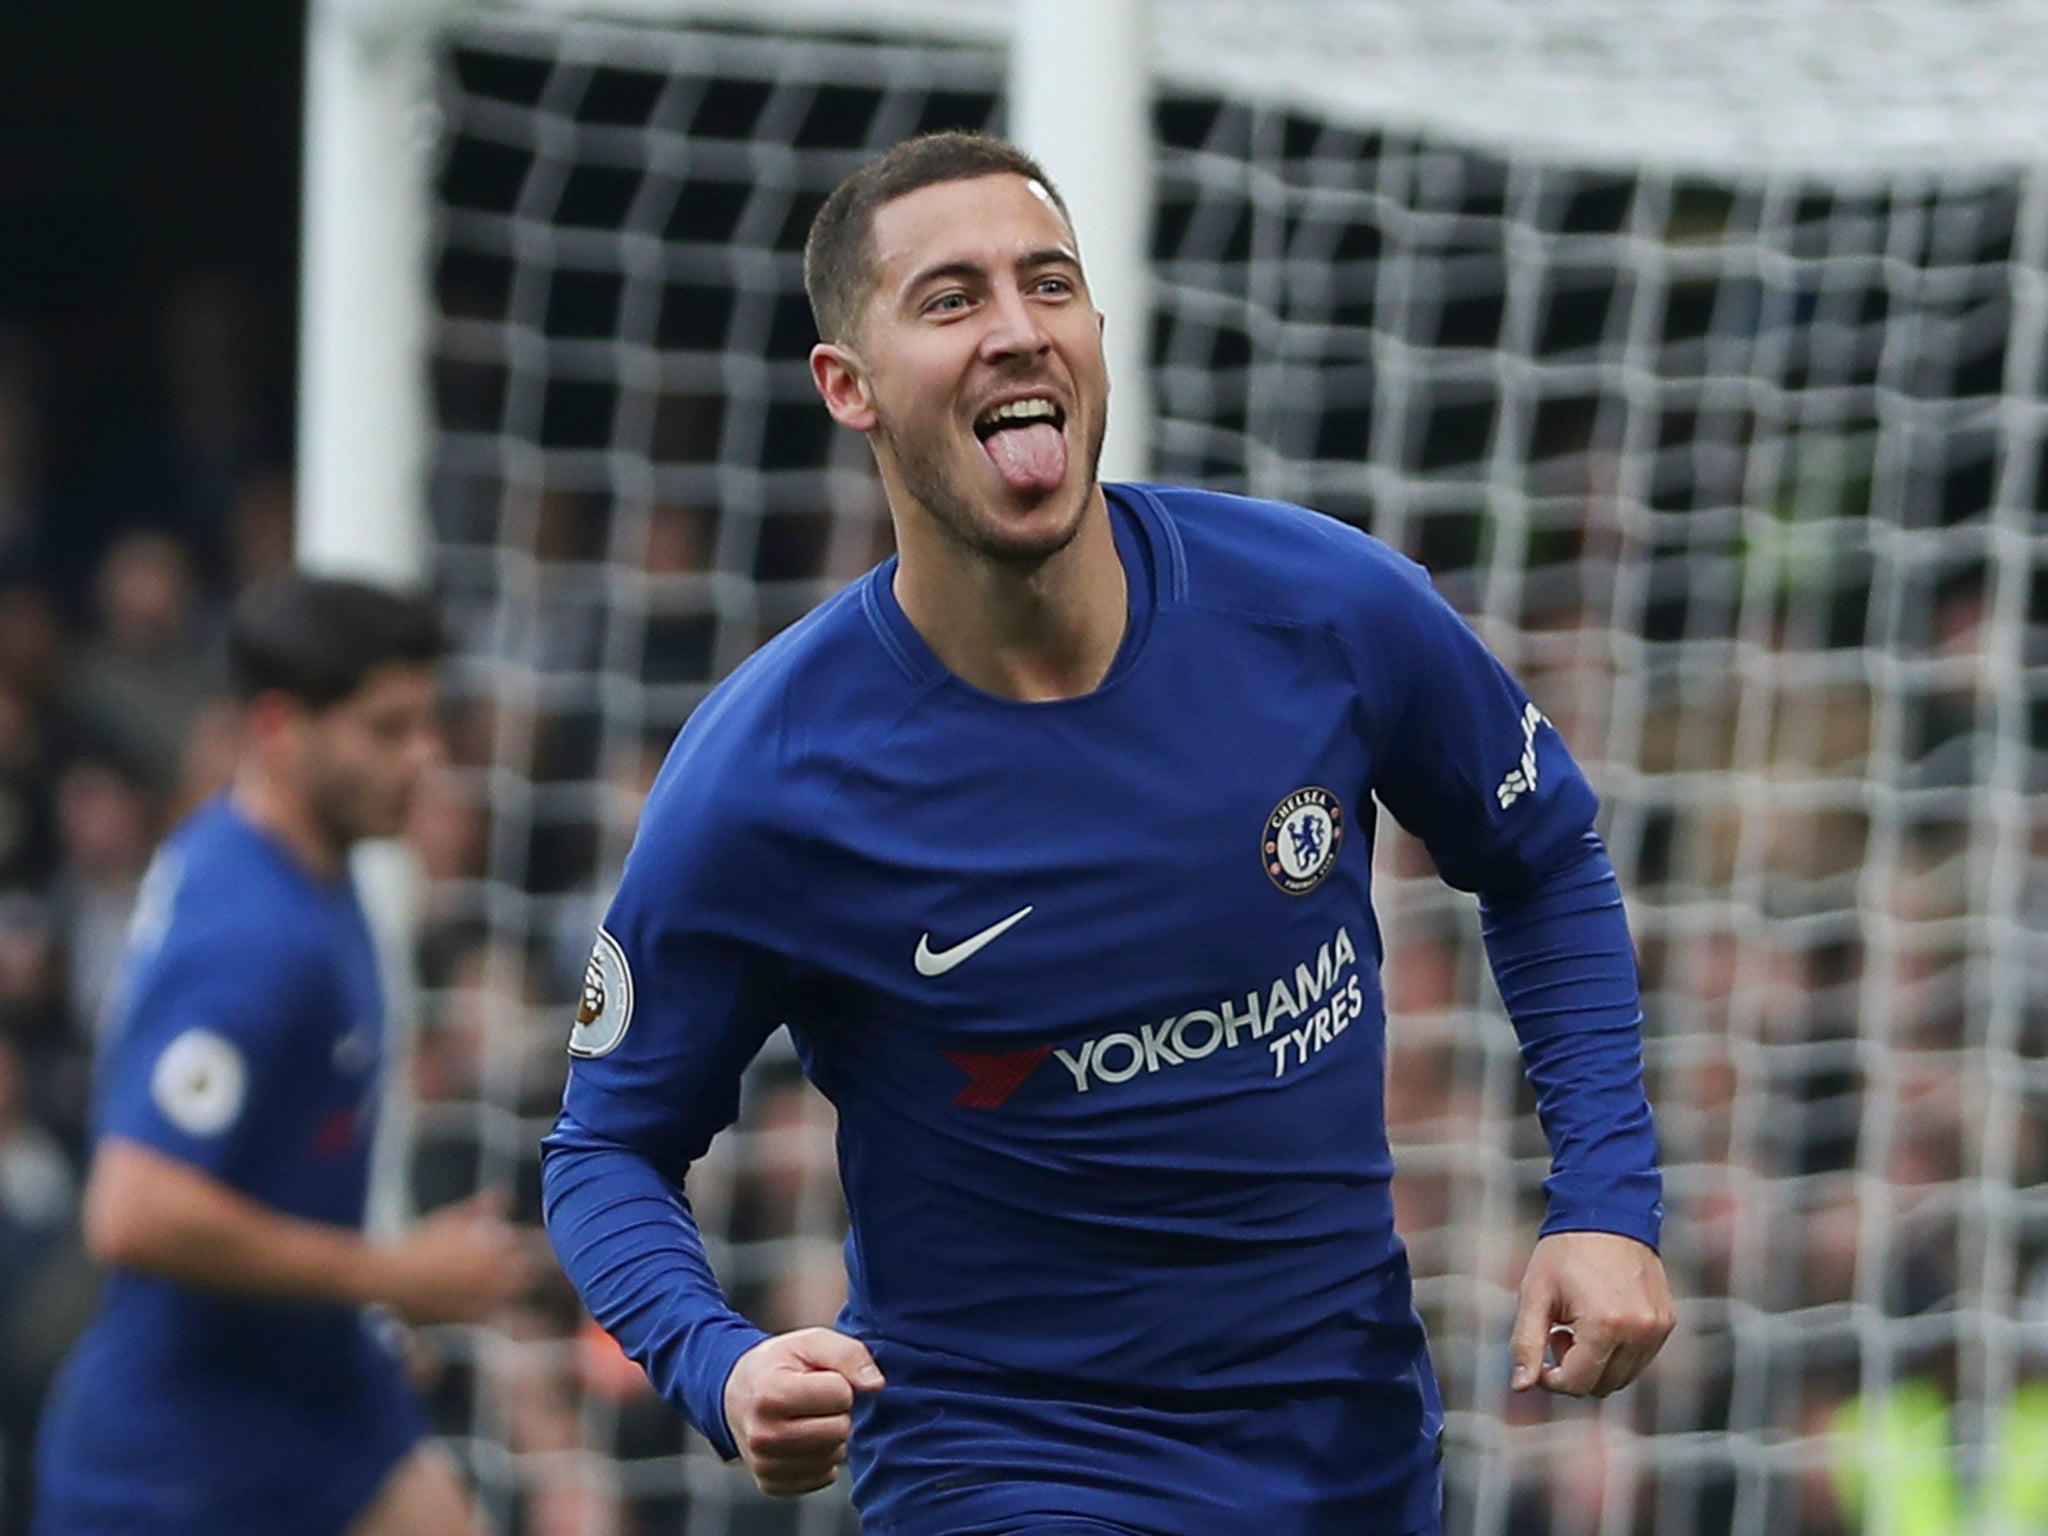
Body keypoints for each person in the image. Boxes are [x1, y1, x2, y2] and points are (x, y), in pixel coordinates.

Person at [542, 131, 1675, 1536]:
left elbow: (1545, 856)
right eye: (950, 301)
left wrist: (1609, 1201)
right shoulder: (767, 774)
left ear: (1096, 335)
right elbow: (604, 1151)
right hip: (1002, 1463)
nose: (1016, 331)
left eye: (1049, 284)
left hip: (1348, 1449)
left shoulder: (1324, 609)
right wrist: (721, 1363)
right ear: (851, 386)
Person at [35, 575, 531, 1536]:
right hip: (179, 1467)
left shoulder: (297, 861)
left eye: (429, 724)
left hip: (321, 1402)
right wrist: (387, 1274)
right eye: (387, 730)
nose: (424, 758)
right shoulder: (250, 938)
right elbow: (131, 1209)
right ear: (280, 727)